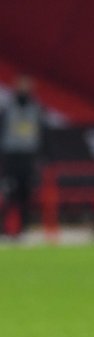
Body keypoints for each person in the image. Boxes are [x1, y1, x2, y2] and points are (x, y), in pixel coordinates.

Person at [0, 75, 44, 235]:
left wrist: (41, 158)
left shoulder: (36, 109)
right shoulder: (7, 108)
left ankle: (24, 230)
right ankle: (4, 231)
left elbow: (42, 135)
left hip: (28, 158)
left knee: (26, 196)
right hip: (11, 158)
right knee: (7, 195)